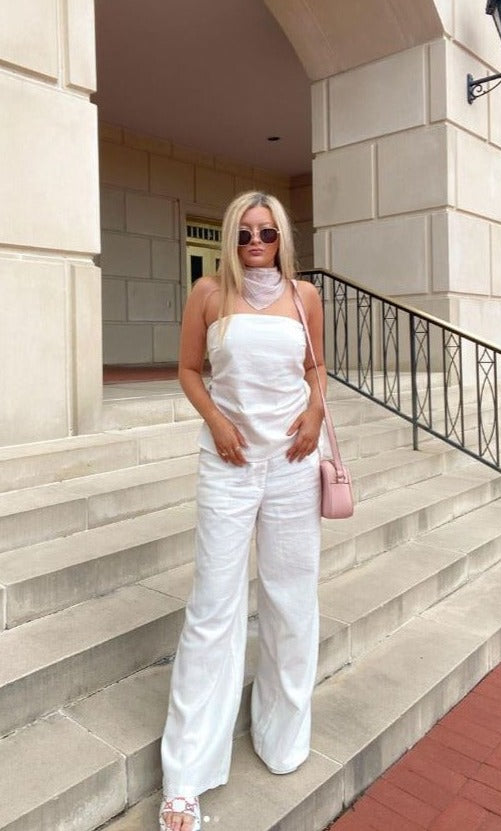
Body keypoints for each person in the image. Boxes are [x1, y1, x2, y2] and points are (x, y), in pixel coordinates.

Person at [159, 191, 326, 831]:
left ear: (282, 237)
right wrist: (216, 421)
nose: (256, 242)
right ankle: (186, 776)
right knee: (212, 608)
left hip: (292, 464)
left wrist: (314, 413)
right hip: (227, 463)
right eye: (245, 233)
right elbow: (188, 369)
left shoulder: (305, 297)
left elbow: (316, 369)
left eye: (267, 232)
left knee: (292, 600)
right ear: (231, 237)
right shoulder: (208, 293)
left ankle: (282, 735)